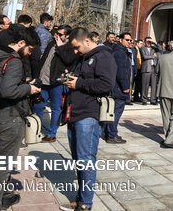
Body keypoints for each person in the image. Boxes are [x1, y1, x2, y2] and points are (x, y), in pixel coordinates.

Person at [0, 27, 41, 211]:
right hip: (9, 118)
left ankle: (5, 196)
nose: (29, 54)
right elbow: (8, 91)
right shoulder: (12, 61)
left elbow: (0, 84)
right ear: (21, 43)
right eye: (29, 49)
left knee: (1, 159)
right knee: (3, 166)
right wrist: (29, 89)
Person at [62, 28, 115, 211]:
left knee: (85, 159)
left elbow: (106, 85)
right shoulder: (83, 57)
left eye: (76, 47)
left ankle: (86, 203)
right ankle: (80, 198)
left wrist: (79, 83)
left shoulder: (103, 56)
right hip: (74, 112)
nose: (75, 52)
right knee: (78, 159)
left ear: (86, 41)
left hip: (88, 115)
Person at [33, 25, 77, 143]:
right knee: (38, 105)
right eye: (56, 33)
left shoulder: (70, 47)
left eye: (60, 34)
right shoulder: (51, 43)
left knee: (56, 108)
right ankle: (36, 130)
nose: (57, 36)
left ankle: (52, 133)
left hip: (56, 83)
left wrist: (61, 47)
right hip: (43, 81)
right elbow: (43, 61)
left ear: (67, 36)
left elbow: (68, 61)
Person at [104, 32, 132, 143]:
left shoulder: (121, 51)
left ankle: (111, 133)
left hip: (117, 87)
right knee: (116, 112)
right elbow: (121, 71)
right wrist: (125, 87)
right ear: (120, 40)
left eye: (131, 40)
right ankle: (111, 135)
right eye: (127, 40)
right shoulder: (120, 52)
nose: (129, 42)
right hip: (118, 88)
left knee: (115, 111)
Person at [140, 37, 158, 105]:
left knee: (154, 85)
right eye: (148, 41)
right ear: (145, 42)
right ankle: (144, 99)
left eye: (150, 42)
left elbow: (160, 49)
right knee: (145, 85)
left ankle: (153, 100)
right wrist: (153, 56)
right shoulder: (142, 49)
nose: (149, 43)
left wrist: (154, 42)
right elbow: (145, 57)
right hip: (146, 68)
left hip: (153, 68)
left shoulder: (154, 49)